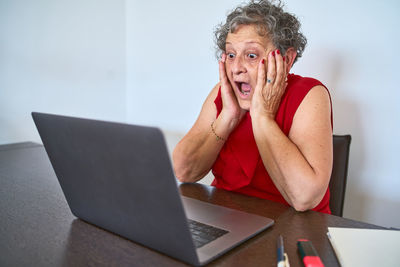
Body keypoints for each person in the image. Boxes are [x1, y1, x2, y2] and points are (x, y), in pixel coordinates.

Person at [172, 0, 333, 214]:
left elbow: (304, 198)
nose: (237, 68)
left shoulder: (310, 94)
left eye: (251, 55)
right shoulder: (225, 92)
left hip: (292, 229)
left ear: (286, 59)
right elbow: (184, 171)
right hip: (226, 220)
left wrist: (262, 116)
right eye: (231, 55)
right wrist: (227, 117)